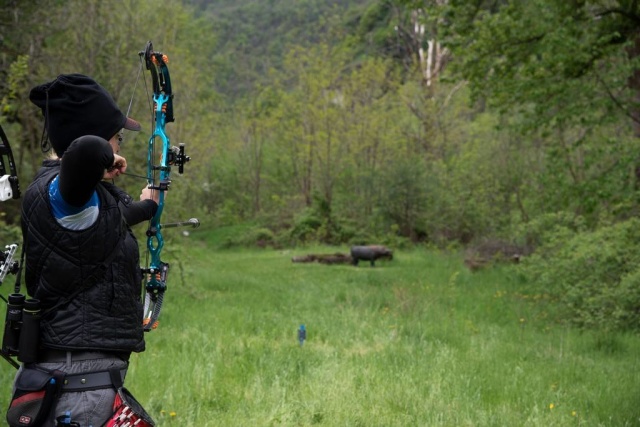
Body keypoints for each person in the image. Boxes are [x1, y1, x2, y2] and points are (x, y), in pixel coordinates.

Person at [13, 73, 154, 426]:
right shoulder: (61, 195)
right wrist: (103, 156)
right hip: (76, 388)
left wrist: (150, 205)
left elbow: (112, 220)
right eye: (117, 138)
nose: (119, 147)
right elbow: (88, 151)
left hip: (86, 383)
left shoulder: (85, 202)